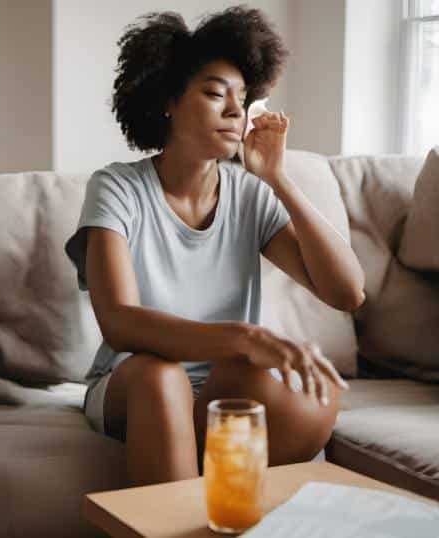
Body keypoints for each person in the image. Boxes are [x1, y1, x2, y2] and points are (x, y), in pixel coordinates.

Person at [64, 5, 365, 487]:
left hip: (218, 387)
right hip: (133, 383)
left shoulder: (249, 195)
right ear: (168, 101)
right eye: (213, 94)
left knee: (316, 396)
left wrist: (277, 178)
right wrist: (245, 337)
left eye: (243, 99)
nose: (234, 111)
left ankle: (209, 488)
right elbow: (120, 323)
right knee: (164, 378)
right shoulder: (117, 189)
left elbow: (348, 292)